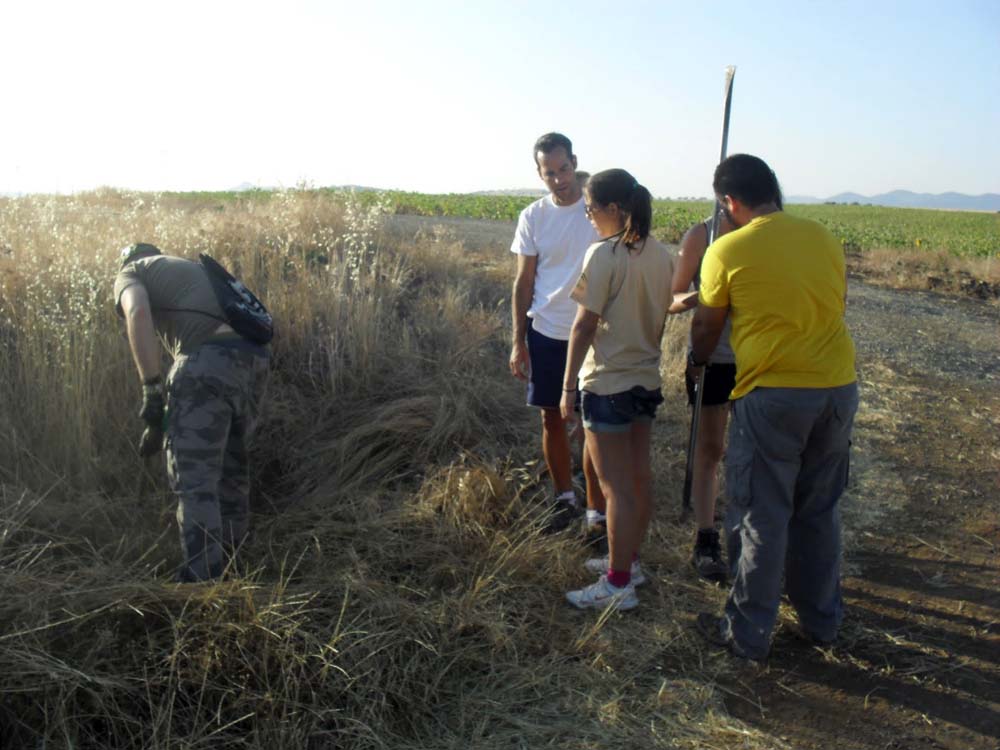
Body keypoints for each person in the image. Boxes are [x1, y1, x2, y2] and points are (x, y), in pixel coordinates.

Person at [691, 155, 858, 661]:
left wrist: (698, 362)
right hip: (837, 388)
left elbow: (707, 326)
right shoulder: (823, 237)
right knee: (818, 510)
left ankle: (746, 632)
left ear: (730, 201)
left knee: (761, 513)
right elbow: (833, 302)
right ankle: (822, 622)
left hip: (772, 394)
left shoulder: (727, 249)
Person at [114, 243, 270, 582]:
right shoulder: (188, 271)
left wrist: (152, 390)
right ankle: (235, 568)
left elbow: (137, 313)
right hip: (253, 359)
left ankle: (203, 588)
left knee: (196, 483)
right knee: (231, 472)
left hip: (207, 360)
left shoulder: (132, 271)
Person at [560, 168, 678, 610]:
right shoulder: (661, 254)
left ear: (613, 209)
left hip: (607, 382)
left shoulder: (603, 254)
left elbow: (584, 324)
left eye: (590, 209)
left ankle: (617, 583)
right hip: (645, 381)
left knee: (615, 488)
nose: (589, 217)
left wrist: (568, 385)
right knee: (637, 479)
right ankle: (629, 560)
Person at [509, 133, 604, 538]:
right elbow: (523, 280)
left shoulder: (597, 211)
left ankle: (596, 513)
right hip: (547, 331)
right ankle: (564, 497)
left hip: (596, 334)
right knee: (551, 417)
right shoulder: (533, 216)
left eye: (564, 170)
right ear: (539, 173)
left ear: (575, 163)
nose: (559, 180)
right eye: (550, 173)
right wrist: (518, 340)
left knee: (596, 425)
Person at [672, 212, 736, 583]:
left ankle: (751, 537)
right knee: (710, 449)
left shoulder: (769, 231)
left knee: (751, 451)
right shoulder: (702, 234)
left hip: (762, 358)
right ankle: (706, 536)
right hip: (714, 357)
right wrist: (705, 294)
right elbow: (673, 297)